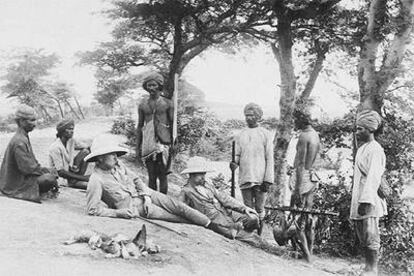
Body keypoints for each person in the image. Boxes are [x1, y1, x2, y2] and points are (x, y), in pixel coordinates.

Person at [85, 135, 222, 233]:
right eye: (111, 154)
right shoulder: (96, 180)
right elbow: (92, 210)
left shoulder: (119, 165)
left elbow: (136, 179)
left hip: (148, 195)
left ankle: (214, 225)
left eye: (116, 154)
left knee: (179, 207)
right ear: (100, 158)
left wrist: (146, 195)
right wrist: (117, 213)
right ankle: (215, 228)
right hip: (140, 208)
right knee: (178, 218)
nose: (116, 157)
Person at [181, 157, 282, 254]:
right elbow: (182, 210)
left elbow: (225, 199)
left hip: (229, 214)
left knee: (253, 218)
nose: (203, 177)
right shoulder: (186, 191)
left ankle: (244, 230)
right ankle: (280, 251)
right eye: (200, 174)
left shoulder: (207, 185)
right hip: (218, 222)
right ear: (191, 175)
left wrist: (244, 208)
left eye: (204, 173)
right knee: (255, 239)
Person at [351, 110, 387, 276]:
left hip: (369, 197)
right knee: (362, 234)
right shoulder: (363, 148)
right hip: (359, 195)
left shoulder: (375, 150)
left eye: (360, 129)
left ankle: (373, 269)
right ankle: (367, 267)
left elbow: (373, 177)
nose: (357, 133)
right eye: (357, 129)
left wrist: (366, 201)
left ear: (370, 130)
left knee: (371, 233)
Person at [229, 103, 274, 235]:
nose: (248, 118)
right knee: (248, 207)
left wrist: (268, 180)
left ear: (258, 117)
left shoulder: (265, 134)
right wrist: (234, 163)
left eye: (252, 115)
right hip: (245, 175)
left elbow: (269, 158)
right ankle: (249, 234)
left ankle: (259, 235)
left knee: (260, 209)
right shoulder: (241, 134)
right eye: (247, 115)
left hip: (260, 177)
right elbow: (237, 154)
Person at [0, 105, 58, 203]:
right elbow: (27, 169)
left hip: (20, 178)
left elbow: (31, 164)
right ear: (21, 121)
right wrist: (45, 172)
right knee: (49, 179)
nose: (34, 124)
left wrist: (46, 170)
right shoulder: (19, 141)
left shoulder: (22, 137)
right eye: (31, 120)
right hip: (16, 183)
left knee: (51, 172)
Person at [289, 108, 321, 262]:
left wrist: (296, 189)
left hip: (303, 178)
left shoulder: (304, 136)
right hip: (313, 178)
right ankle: (308, 253)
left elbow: (301, 164)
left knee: (297, 218)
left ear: (301, 120)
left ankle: (306, 257)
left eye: (295, 120)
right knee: (308, 217)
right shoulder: (315, 135)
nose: (294, 123)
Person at [136, 72, 173, 195]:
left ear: (159, 86)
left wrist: (174, 143)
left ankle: (164, 201)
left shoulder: (168, 103)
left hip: (164, 143)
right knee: (151, 176)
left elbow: (173, 124)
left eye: (153, 85)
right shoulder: (142, 105)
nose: (151, 88)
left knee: (163, 175)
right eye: (148, 85)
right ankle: (152, 202)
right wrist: (138, 147)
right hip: (148, 143)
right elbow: (140, 126)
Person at [48, 119, 90, 190]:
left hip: (71, 173)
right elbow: (61, 172)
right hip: (62, 179)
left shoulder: (71, 141)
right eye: (70, 129)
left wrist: (75, 165)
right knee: (93, 186)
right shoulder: (55, 147)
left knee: (85, 152)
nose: (72, 131)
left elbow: (86, 147)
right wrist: (84, 178)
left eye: (73, 129)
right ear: (63, 131)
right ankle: (76, 181)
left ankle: (77, 179)